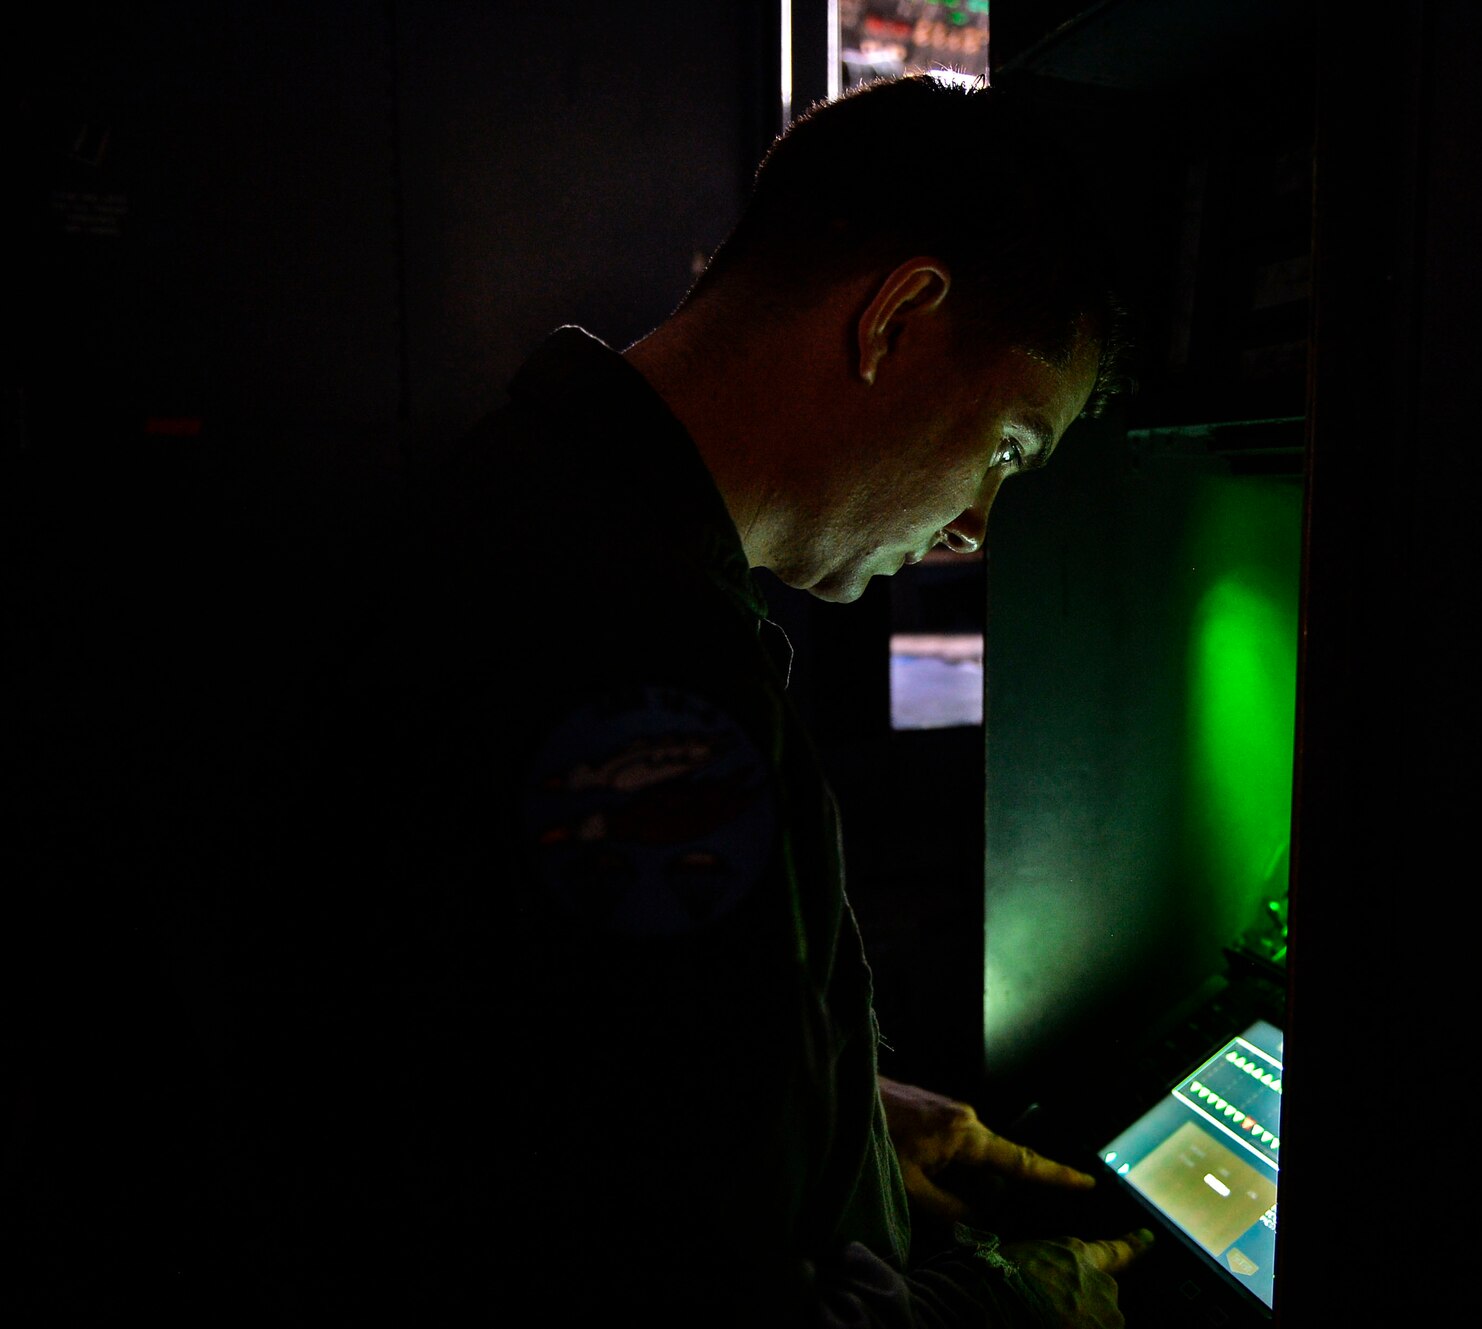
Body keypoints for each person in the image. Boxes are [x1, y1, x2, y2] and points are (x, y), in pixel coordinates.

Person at [5, 73, 1145, 1326]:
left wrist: (847, 1126)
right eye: (1004, 449)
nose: (978, 524)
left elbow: (534, 1060)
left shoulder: (509, 503)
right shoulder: (640, 679)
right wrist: (1021, 1307)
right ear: (896, 320)